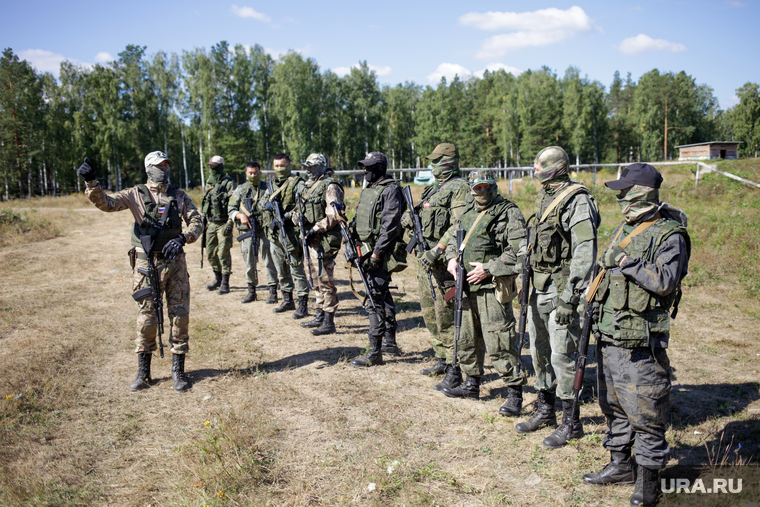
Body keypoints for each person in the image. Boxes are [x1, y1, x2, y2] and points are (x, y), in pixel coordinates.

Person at [583, 163, 689, 507]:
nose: (620, 198)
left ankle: (648, 483)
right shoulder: (624, 229)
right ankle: (620, 465)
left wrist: (626, 261)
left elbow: (665, 281)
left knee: (646, 413)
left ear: (641, 192)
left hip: (641, 344)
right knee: (613, 406)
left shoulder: (669, 234)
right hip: (610, 334)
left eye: (625, 192)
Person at [78, 152, 203, 392]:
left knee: (180, 316)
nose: (164, 169)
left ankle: (178, 371)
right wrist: (91, 182)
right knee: (146, 318)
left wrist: (183, 237)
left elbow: (197, 221)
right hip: (146, 265)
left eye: (167, 164)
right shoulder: (136, 194)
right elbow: (106, 203)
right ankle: (144, 372)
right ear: (149, 168)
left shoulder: (178, 195)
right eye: (160, 165)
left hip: (175, 264)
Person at [516, 146, 600, 448]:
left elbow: (583, 252)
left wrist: (570, 297)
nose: (536, 169)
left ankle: (571, 421)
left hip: (563, 289)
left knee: (562, 355)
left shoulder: (577, 200)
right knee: (539, 350)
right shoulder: (546, 196)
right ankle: (546, 409)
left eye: (541, 165)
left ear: (556, 168)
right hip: (539, 286)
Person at [440, 171, 527, 416]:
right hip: (465, 288)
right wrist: (450, 260)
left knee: (500, 341)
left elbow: (519, 251)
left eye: (487, 186)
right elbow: (451, 242)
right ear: (471, 189)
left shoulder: (508, 212)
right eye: (478, 187)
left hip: (491, 288)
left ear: (494, 186)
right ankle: (471, 383)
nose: (483, 191)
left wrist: (488, 270)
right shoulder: (467, 213)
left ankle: (514, 393)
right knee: (466, 337)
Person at [403, 143, 472, 392]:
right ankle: (441, 358)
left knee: (446, 315)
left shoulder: (460, 189)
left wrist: (438, 250)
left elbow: (459, 225)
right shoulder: (433, 189)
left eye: (435, 161)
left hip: (442, 261)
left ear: (448, 161)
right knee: (430, 313)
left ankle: (455, 369)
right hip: (424, 259)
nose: (431, 165)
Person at [350, 151, 407, 367]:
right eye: (364, 167)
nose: (365, 170)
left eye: (369, 167)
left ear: (381, 168)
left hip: (381, 253)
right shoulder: (369, 189)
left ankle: (374, 352)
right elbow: (361, 216)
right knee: (382, 295)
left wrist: (376, 254)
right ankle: (389, 342)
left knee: (373, 298)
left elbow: (390, 225)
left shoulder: (390, 189)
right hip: (366, 250)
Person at [295, 153, 345, 335]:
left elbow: (334, 215)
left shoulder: (330, 186)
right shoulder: (306, 187)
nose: (309, 171)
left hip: (323, 240)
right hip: (309, 240)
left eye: (312, 167)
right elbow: (297, 210)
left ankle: (329, 321)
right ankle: (319, 314)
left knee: (325, 280)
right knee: (314, 279)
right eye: (307, 167)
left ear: (321, 167)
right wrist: (297, 219)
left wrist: (315, 229)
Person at [264, 153, 310, 318]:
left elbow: (303, 206)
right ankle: (287, 300)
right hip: (275, 235)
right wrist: (267, 205)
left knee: (296, 268)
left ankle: (303, 304)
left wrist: (287, 216)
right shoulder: (271, 185)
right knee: (280, 268)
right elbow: (263, 202)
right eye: (276, 166)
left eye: (282, 166)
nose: (279, 169)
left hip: (291, 233)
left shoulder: (298, 183)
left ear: (289, 166)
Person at [228, 161, 279, 303]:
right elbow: (231, 208)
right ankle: (251, 291)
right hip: (248, 231)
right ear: (246, 173)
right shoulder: (240, 189)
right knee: (249, 262)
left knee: (269, 260)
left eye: (256, 173)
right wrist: (239, 216)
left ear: (260, 172)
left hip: (265, 230)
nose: (253, 175)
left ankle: (273, 291)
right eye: (250, 173)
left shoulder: (267, 188)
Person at [201, 155, 235, 295]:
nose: (212, 168)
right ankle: (218, 278)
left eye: (215, 166)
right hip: (211, 223)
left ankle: (225, 283)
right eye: (211, 166)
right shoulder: (210, 183)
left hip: (223, 223)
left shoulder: (228, 183)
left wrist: (230, 222)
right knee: (210, 253)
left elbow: (234, 203)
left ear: (221, 166)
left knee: (223, 253)